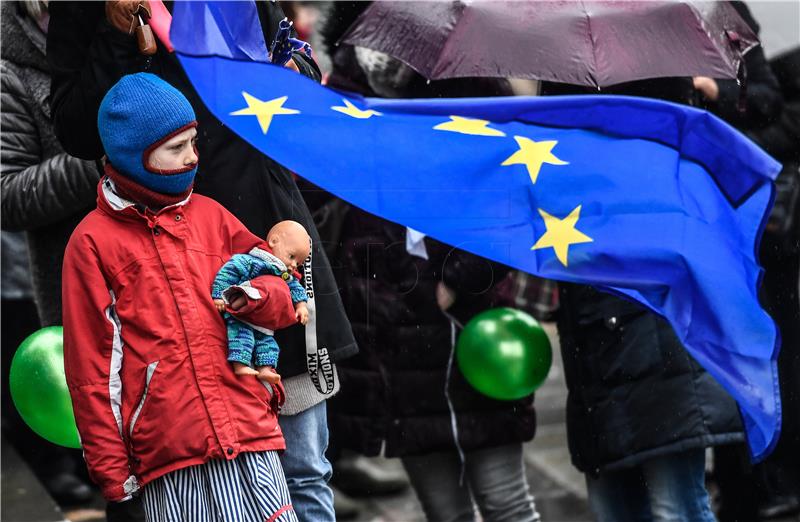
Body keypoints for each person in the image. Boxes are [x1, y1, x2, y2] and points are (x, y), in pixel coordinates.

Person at [47, 3, 357, 520]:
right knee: (195, 484)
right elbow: (76, 129)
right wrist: (116, 32)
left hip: (264, 231)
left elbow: (295, 57)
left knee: (303, 468)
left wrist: (291, 76)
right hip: (160, 259)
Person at [317, 6, 541, 521]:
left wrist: (458, 279)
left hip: (473, 328)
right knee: (444, 512)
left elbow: (507, 196)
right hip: (391, 332)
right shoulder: (344, 91)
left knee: (507, 502)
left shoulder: (470, 78)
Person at [62, 72, 297, 522]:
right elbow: (93, 374)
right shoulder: (91, 243)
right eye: (176, 148)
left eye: (194, 142)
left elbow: (282, 285)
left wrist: (251, 297)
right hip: (170, 459)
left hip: (249, 436)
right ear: (134, 156)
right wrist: (117, 484)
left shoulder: (212, 215)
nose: (192, 157)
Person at [541, 75, 746, 521]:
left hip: (651, 327)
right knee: (620, 505)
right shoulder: (561, 67)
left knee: (676, 505)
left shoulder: (651, 66)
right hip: (600, 335)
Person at [0, 0, 99, 505]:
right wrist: (99, 160)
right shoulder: (10, 66)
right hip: (71, 287)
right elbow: (7, 193)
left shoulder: (132, 29)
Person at [212, 220, 311, 384]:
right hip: (242, 314)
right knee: (242, 338)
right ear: (273, 241)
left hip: (264, 322)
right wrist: (218, 295)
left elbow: (296, 288)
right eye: (291, 256)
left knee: (269, 344)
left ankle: (265, 370)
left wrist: (301, 306)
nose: (293, 265)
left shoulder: (286, 275)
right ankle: (239, 365)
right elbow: (229, 271)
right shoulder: (253, 260)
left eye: (298, 263)